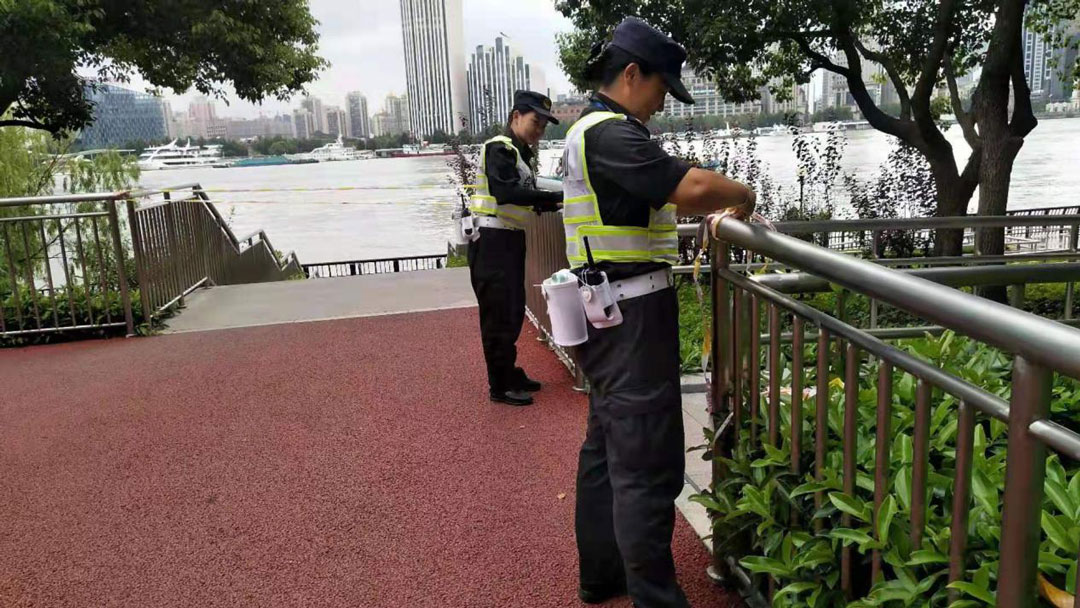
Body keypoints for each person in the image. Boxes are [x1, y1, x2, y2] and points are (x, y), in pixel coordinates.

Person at [565, 18, 756, 608]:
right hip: (632, 319)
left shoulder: (587, 130)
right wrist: (743, 196)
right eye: (660, 88)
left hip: (606, 311)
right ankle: (655, 598)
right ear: (631, 74)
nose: (662, 103)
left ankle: (602, 576)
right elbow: (692, 188)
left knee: (607, 451)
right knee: (645, 465)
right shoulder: (612, 135)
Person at [468, 90, 563, 407]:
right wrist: (554, 197)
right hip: (492, 241)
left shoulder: (518, 153)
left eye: (544, 126)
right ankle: (499, 385)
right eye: (536, 122)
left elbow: (523, 198)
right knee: (498, 314)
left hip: (508, 239)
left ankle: (509, 372)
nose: (540, 131)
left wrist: (552, 202)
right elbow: (507, 192)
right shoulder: (499, 148)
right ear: (516, 116)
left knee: (511, 310)